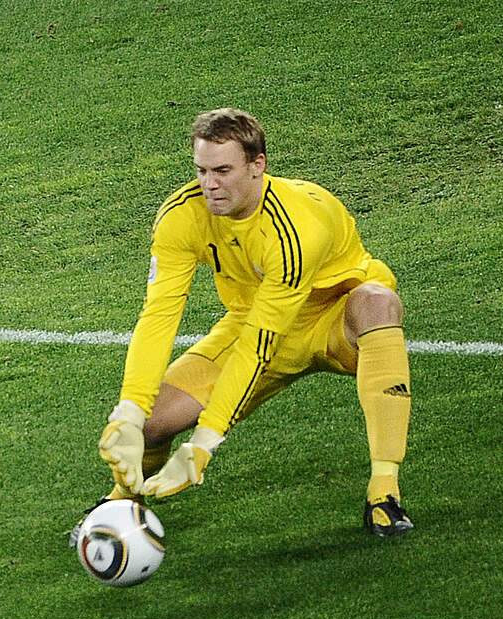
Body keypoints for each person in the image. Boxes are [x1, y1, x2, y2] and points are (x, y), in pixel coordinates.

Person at [93, 108, 413, 536]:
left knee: (378, 301)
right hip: (251, 321)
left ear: (257, 165)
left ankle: (384, 490)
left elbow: (259, 347)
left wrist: (206, 440)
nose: (210, 184)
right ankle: (124, 501)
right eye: (202, 170)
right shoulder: (182, 216)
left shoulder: (295, 227)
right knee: (153, 424)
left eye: (223, 170)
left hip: (333, 319)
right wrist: (130, 411)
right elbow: (158, 316)